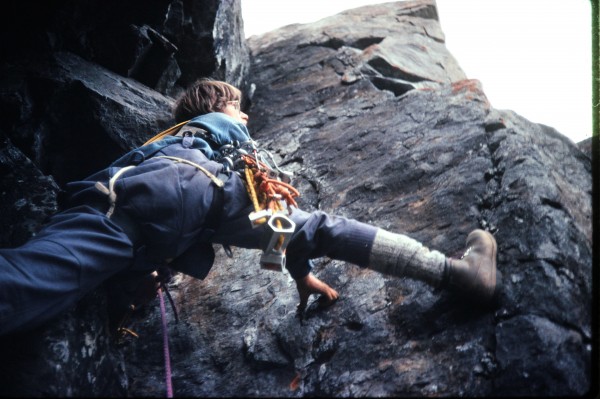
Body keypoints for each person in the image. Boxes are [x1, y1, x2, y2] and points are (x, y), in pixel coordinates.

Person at [0, 78, 500, 336]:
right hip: (210, 199)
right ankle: (457, 273)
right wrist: (299, 266)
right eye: (238, 106)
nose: (245, 115)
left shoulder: (183, 141)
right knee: (326, 226)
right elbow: (288, 222)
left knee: (41, 275)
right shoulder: (218, 133)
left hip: (148, 207)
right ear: (218, 106)